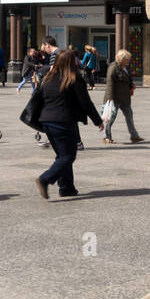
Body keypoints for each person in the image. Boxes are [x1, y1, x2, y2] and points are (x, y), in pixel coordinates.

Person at [33, 47, 103, 199]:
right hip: (63, 122)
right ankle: (45, 179)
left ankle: (66, 187)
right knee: (68, 156)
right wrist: (98, 121)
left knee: (62, 155)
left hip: (46, 122)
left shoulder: (48, 77)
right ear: (71, 62)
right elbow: (86, 102)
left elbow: (37, 97)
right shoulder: (73, 78)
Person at [103, 49, 143, 144]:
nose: (128, 61)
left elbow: (128, 79)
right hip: (115, 97)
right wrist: (110, 98)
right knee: (111, 117)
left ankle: (134, 136)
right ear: (121, 59)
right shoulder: (113, 67)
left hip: (125, 98)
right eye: (127, 59)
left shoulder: (125, 67)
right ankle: (106, 136)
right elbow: (110, 83)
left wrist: (131, 85)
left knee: (129, 116)